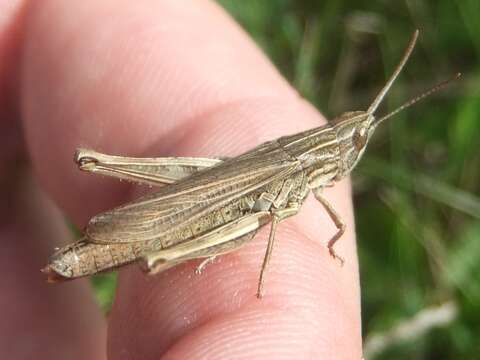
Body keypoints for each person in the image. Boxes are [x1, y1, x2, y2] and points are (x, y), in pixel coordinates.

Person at [0, 1, 361, 358]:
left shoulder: (296, 150)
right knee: (255, 223)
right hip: (198, 210)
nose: (354, 147)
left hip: (220, 197)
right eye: (353, 138)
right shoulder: (295, 162)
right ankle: (152, 253)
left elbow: (331, 225)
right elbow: (291, 223)